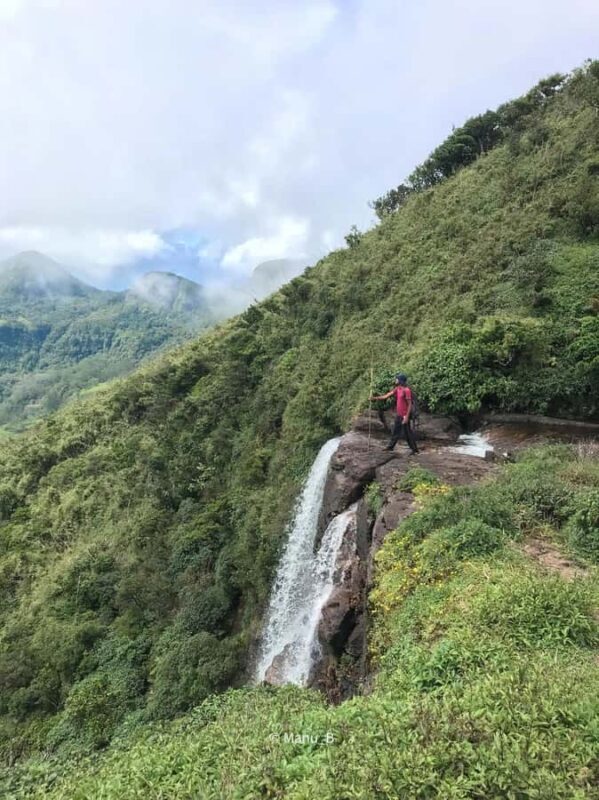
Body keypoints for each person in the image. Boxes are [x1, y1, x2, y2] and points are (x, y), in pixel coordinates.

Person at [371, 373, 419, 455]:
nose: (395, 380)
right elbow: (386, 396)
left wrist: (407, 417)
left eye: (397, 379)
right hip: (399, 415)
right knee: (395, 431)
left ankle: (415, 450)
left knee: (408, 433)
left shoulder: (406, 390)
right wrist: (375, 398)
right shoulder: (398, 389)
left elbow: (410, 404)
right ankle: (390, 447)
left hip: (404, 415)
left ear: (401, 380)